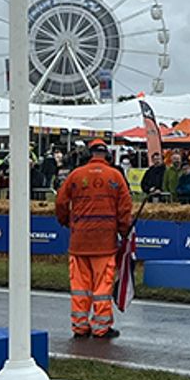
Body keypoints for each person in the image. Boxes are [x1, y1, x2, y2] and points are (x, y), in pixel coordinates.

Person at [53, 138, 133, 340]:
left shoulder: (76, 175)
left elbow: (61, 203)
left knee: (80, 287)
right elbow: (125, 209)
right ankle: (101, 327)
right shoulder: (115, 176)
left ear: (89, 154)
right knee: (102, 287)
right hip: (104, 242)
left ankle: (80, 326)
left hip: (79, 241)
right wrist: (125, 232)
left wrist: (67, 222)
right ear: (107, 154)